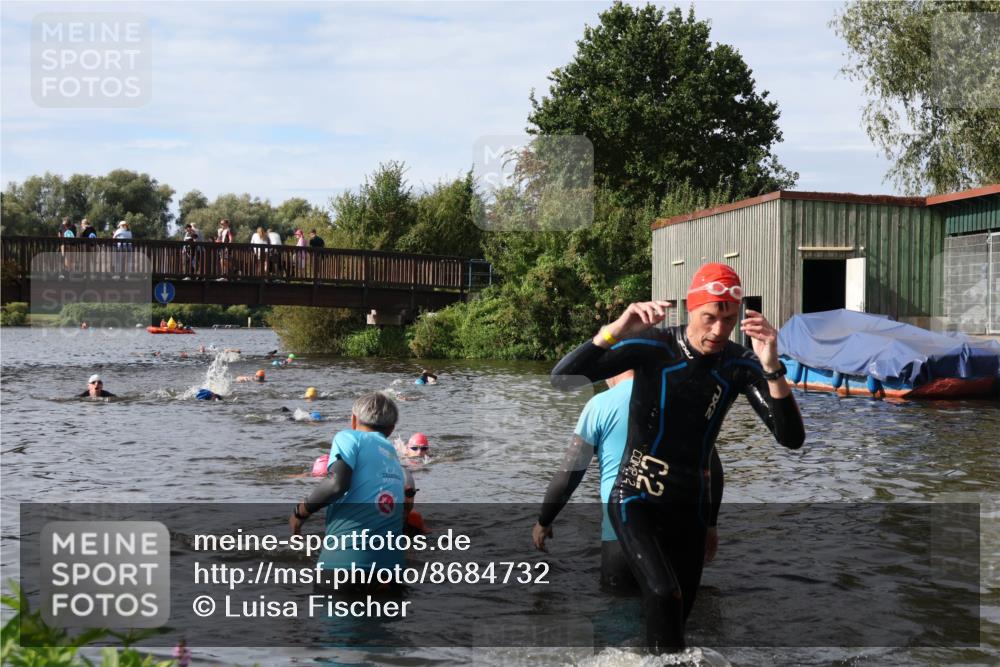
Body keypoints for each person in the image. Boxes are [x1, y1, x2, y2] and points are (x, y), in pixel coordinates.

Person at [550, 262, 805, 654]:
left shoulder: (738, 364)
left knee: (677, 618)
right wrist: (615, 330)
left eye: (729, 320)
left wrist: (772, 368)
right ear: (691, 309)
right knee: (662, 593)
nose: (719, 331)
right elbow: (562, 378)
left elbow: (790, 438)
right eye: (710, 318)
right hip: (635, 497)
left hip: (691, 510)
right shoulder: (654, 347)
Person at [532, 369, 726, 590]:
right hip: (682, 533)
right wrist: (710, 525)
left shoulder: (600, 405)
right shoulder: (683, 399)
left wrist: (544, 521)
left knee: (620, 614)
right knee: (680, 616)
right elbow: (713, 471)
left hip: (623, 535)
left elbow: (569, 475)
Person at [289, 393, 407, 589]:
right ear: (391, 429)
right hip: (391, 571)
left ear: (353, 420)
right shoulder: (393, 454)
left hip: (346, 566)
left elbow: (336, 484)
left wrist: (299, 513)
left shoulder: (349, 436)